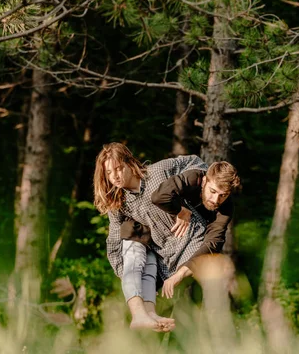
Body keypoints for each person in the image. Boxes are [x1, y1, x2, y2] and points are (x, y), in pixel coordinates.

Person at [93, 142, 209, 332]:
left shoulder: (159, 171)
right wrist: (125, 273)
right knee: (172, 327)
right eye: (108, 172)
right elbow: (114, 238)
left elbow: (196, 163)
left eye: (119, 168)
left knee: (195, 315)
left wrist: (185, 206)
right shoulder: (120, 201)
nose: (114, 176)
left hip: (193, 242)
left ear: (130, 162)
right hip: (166, 261)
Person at [150, 161, 241, 299]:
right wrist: (181, 211)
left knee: (181, 290)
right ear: (204, 181)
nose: (216, 200)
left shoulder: (226, 208)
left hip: (190, 251)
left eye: (223, 195)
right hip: (156, 237)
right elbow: (159, 196)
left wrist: (181, 273)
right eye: (213, 191)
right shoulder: (193, 178)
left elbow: (213, 243)